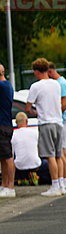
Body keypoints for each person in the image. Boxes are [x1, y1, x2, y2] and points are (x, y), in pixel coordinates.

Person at [25, 58, 63, 197]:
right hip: (58, 122)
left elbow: (28, 107)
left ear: (36, 71)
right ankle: (62, 184)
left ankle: (54, 186)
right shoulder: (56, 84)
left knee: (50, 156)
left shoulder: (36, 86)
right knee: (59, 156)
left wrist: (35, 112)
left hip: (46, 122)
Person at [47, 62, 66, 193]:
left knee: (61, 153)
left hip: (62, 121)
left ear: (50, 72)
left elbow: (64, 104)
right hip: (64, 121)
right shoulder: (63, 82)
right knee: (63, 152)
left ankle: (64, 181)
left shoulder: (61, 84)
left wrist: (53, 110)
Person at [11, 112, 45, 186]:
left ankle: (23, 178)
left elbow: (12, 154)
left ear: (16, 123)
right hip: (36, 164)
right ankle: (34, 176)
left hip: (19, 166)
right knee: (47, 162)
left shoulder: (13, 135)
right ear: (27, 121)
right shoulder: (35, 132)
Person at [0, 63, 15, 198]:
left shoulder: (2, 86)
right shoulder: (7, 85)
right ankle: (4, 184)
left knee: (7, 156)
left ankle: (10, 187)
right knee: (3, 158)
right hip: (4, 124)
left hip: (2, 125)